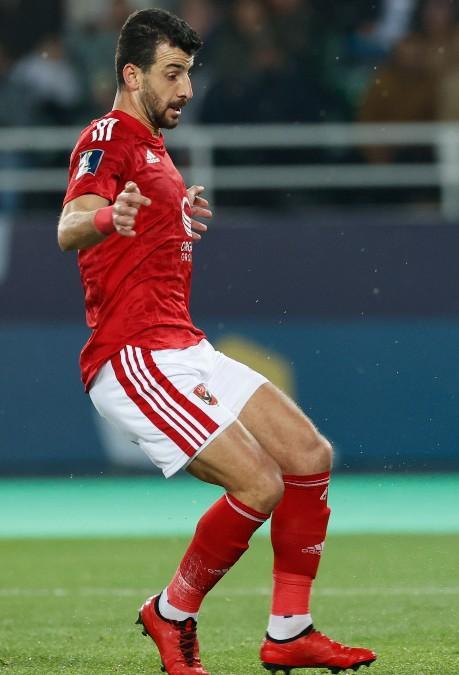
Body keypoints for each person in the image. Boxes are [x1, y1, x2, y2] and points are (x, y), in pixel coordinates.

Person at [55, 9, 375, 674]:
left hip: (182, 343)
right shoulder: (108, 135)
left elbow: (136, 229)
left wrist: (175, 216)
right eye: (173, 74)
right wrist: (108, 214)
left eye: (189, 74)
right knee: (258, 483)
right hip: (134, 353)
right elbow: (70, 223)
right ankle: (171, 613)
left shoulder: (152, 149)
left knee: (307, 454)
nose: (186, 90)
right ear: (131, 73)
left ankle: (289, 630)